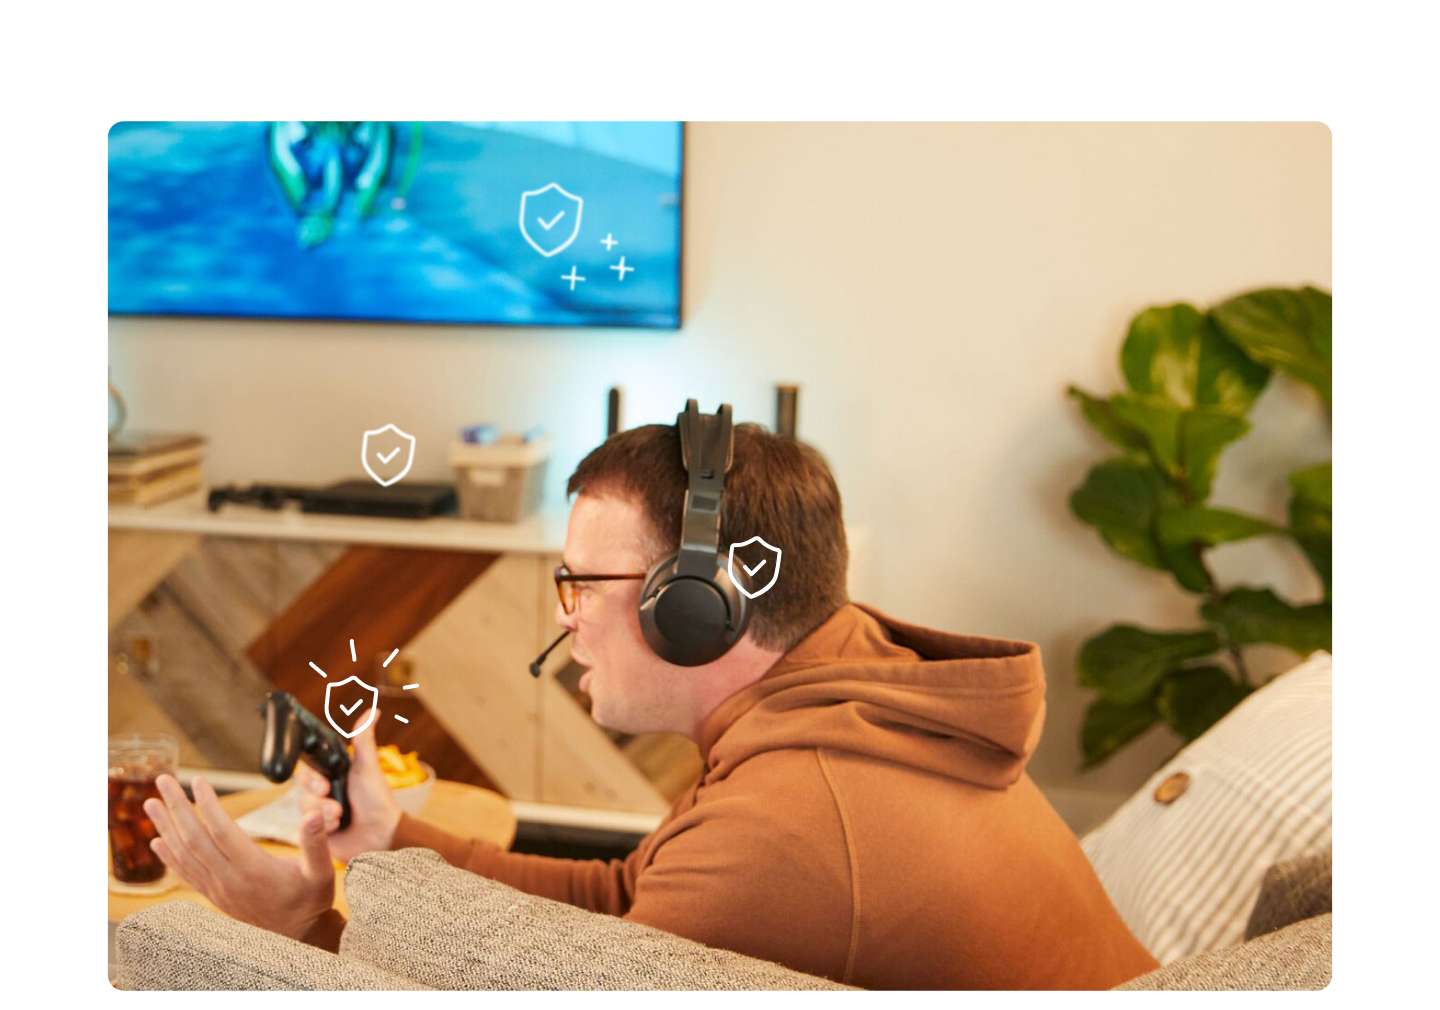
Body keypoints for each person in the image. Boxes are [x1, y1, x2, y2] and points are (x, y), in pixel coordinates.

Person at [144, 410, 1158, 990]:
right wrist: (394, 836)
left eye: (583, 582)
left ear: (699, 604)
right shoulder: (849, 692)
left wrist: (306, 926)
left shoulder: (792, 827)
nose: (565, 617)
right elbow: (631, 898)